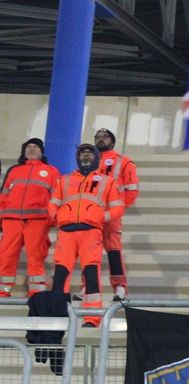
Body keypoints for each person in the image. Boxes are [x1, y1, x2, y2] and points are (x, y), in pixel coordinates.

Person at [48, 144, 122, 327]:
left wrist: (101, 217)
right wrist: (57, 216)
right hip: (66, 232)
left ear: (97, 158)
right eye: (83, 154)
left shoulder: (107, 181)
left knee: (91, 274)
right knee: (60, 275)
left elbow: (118, 207)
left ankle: (92, 317)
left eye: (90, 153)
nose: (86, 156)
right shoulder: (65, 180)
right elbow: (53, 203)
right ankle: (57, 313)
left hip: (91, 232)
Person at [0, 138, 60, 297]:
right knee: (6, 255)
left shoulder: (51, 171)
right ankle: (3, 290)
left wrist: (51, 220)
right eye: (28, 147)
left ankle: (36, 292)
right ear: (24, 151)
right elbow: (3, 195)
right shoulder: (14, 170)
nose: (31, 149)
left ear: (41, 152)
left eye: (35, 147)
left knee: (36, 256)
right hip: (11, 219)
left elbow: (56, 197)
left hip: (37, 219)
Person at [93, 128, 139, 299]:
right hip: (91, 214)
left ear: (112, 142)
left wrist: (118, 208)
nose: (101, 139)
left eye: (105, 137)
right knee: (90, 252)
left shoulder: (123, 162)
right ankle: (88, 287)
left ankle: (120, 286)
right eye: (98, 137)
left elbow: (132, 190)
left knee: (113, 250)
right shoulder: (89, 160)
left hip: (111, 215)